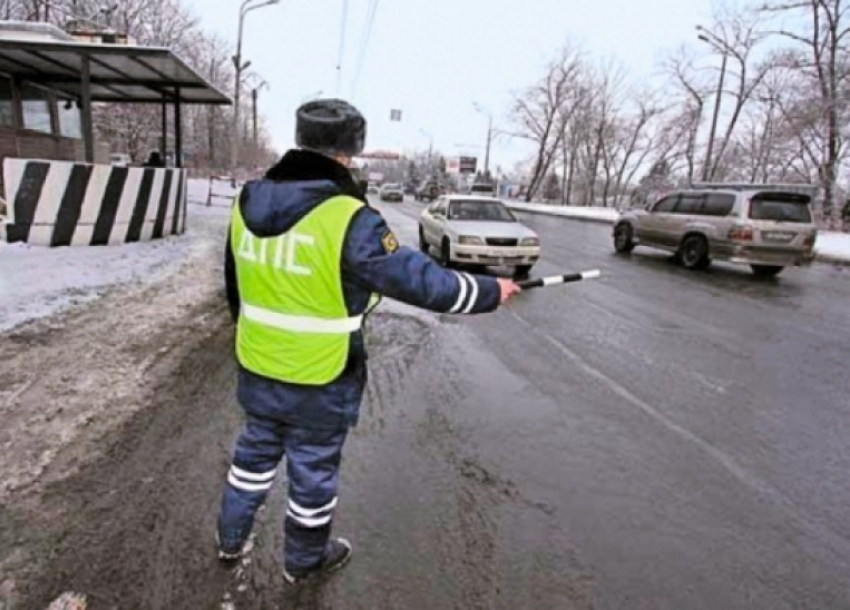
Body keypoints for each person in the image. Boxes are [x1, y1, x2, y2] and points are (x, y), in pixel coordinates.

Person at [216, 98, 521, 585]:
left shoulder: (247, 200)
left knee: (251, 459)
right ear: (349, 153)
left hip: (258, 363)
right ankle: (303, 561)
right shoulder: (347, 217)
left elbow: (234, 283)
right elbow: (424, 283)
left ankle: (229, 540)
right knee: (312, 477)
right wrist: (490, 290)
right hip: (322, 374)